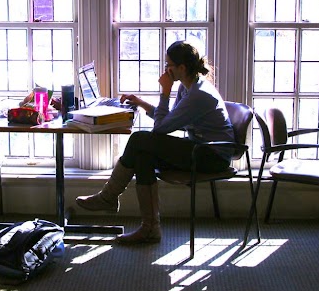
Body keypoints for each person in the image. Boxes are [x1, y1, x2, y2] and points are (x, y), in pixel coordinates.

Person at [75, 40, 235, 244]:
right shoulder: (188, 87)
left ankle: (108, 197)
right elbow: (169, 120)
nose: (166, 70)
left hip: (213, 156)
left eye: (169, 65)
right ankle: (149, 228)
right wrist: (141, 103)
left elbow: (160, 128)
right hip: (200, 148)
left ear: (182, 68)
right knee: (143, 155)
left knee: (139, 139)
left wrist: (165, 92)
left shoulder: (199, 94)